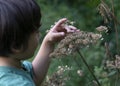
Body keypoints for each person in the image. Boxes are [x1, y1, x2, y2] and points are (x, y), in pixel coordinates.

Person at [0, 0, 79, 86]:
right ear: (16, 46)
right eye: (36, 31)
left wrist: (48, 42)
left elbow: (34, 76)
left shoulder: (12, 69)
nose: (39, 34)